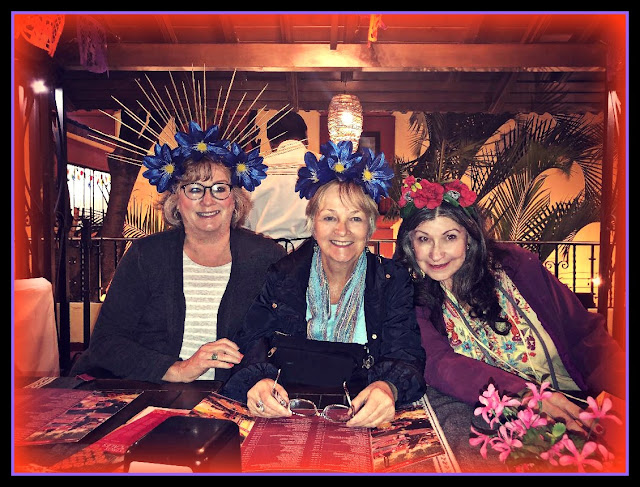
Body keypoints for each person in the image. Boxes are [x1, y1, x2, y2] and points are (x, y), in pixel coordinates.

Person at [393, 176, 626, 431]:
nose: (436, 254)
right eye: (424, 239)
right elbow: (439, 363)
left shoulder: (516, 265)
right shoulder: (411, 296)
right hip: (510, 420)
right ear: (410, 244)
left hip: (582, 399)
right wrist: (522, 395)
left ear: (469, 238)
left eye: (450, 237)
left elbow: (584, 334)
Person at [223, 141, 426, 428]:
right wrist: (259, 380)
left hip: (361, 416)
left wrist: (388, 388)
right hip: (288, 414)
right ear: (313, 224)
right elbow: (253, 340)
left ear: (369, 227)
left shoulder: (392, 280)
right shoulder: (283, 275)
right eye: (330, 217)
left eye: (355, 218)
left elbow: (406, 353)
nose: (342, 230)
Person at [71, 120, 286, 384]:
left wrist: (259, 380)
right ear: (176, 200)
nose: (208, 200)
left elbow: (281, 339)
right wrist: (178, 369)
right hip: (153, 390)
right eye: (194, 189)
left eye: (220, 188)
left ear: (235, 199)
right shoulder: (146, 255)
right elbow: (106, 343)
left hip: (237, 395)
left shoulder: (267, 258)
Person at [243, 111, 313, 250]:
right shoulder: (325, 166)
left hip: (262, 253)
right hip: (310, 255)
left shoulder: (253, 170)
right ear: (306, 138)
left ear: (271, 143)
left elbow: (243, 223)